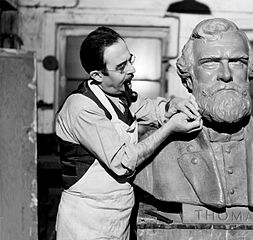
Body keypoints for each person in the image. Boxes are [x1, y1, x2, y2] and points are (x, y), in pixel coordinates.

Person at [134, 18, 253, 208]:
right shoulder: (156, 155)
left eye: (237, 62)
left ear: (250, 72)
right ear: (189, 78)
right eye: (210, 63)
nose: (225, 74)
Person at [55, 26, 202, 240]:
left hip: (118, 214)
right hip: (86, 221)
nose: (132, 69)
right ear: (97, 75)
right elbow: (123, 163)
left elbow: (150, 109)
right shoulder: (83, 108)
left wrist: (173, 105)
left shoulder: (118, 93)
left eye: (130, 59)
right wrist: (169, 129)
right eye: (122, 66)